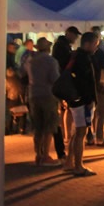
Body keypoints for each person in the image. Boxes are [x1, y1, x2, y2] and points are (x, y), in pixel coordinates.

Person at [64, 31, 99, 177]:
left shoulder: (75, 55)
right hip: (82, 101)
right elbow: (85, 82)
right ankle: (78, 166)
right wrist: (89, 100)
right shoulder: (84, 59)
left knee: (76, 131)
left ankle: (69, 162)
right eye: (95, 44)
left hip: (74, 99)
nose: (96, 47)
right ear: (88, 43)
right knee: (81, 133)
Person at [26, 36, 62, 166]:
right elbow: (55, 79)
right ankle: (46, 155)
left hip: (33, 94)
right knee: (49, 126)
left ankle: (38, 154)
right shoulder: (51, 61)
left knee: (38, 127)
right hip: (48, 94)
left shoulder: (30, 61)